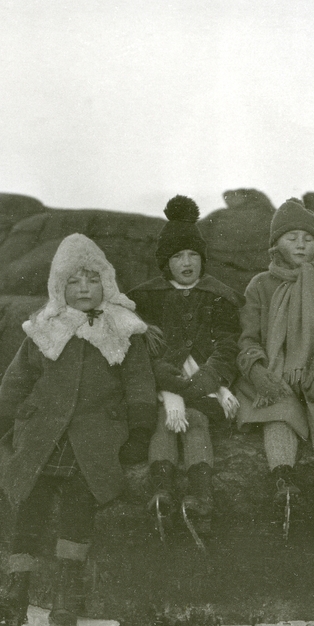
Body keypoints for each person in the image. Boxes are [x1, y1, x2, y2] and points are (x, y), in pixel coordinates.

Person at [0, 233, 156, 626]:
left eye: (92, 280)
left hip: (95, 435)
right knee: (31, 499)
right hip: (43, 431)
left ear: (106, 285)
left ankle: (66, 596)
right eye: (74, 281)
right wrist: (2, 419)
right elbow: (18, 378)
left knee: (81, 500)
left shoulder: (124, 329)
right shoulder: (45, 326)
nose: (83, 289)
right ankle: (16, 591)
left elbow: (140, 384)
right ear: (59, 287)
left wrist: (140, 429)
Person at [234, 198, 314, 527]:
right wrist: (257, 371)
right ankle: (283, 484)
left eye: (308, 238)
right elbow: (247, 338)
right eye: (292, 238)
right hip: (273, 376)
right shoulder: (260, 285)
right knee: (278, 413)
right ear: (276, 244)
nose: (301, 244)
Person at [126, 195, 242, 537]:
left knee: (198, 421)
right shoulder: (145, 299)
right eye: (178, 256)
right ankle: (161, 492)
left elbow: (228, 344)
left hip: (205, 384)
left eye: (193, 255)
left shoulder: (219, 295)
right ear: (166, 262)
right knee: (164, 422)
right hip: (163, 386)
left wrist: (208, 379)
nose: (187, 263)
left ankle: (200, 497)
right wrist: (169, 381)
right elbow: (143, 351)